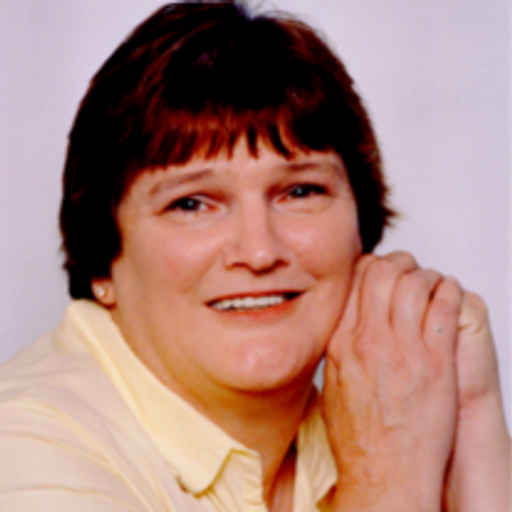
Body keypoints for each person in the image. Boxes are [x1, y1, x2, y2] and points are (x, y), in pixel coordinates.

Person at [0, 2, 510, 511]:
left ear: (360, 230)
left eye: (301, 191)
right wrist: (385, 475)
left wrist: (471, 414)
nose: (260, 251)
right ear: (100, 257)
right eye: (191, 203)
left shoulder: (383, 414)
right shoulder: (23, 449)